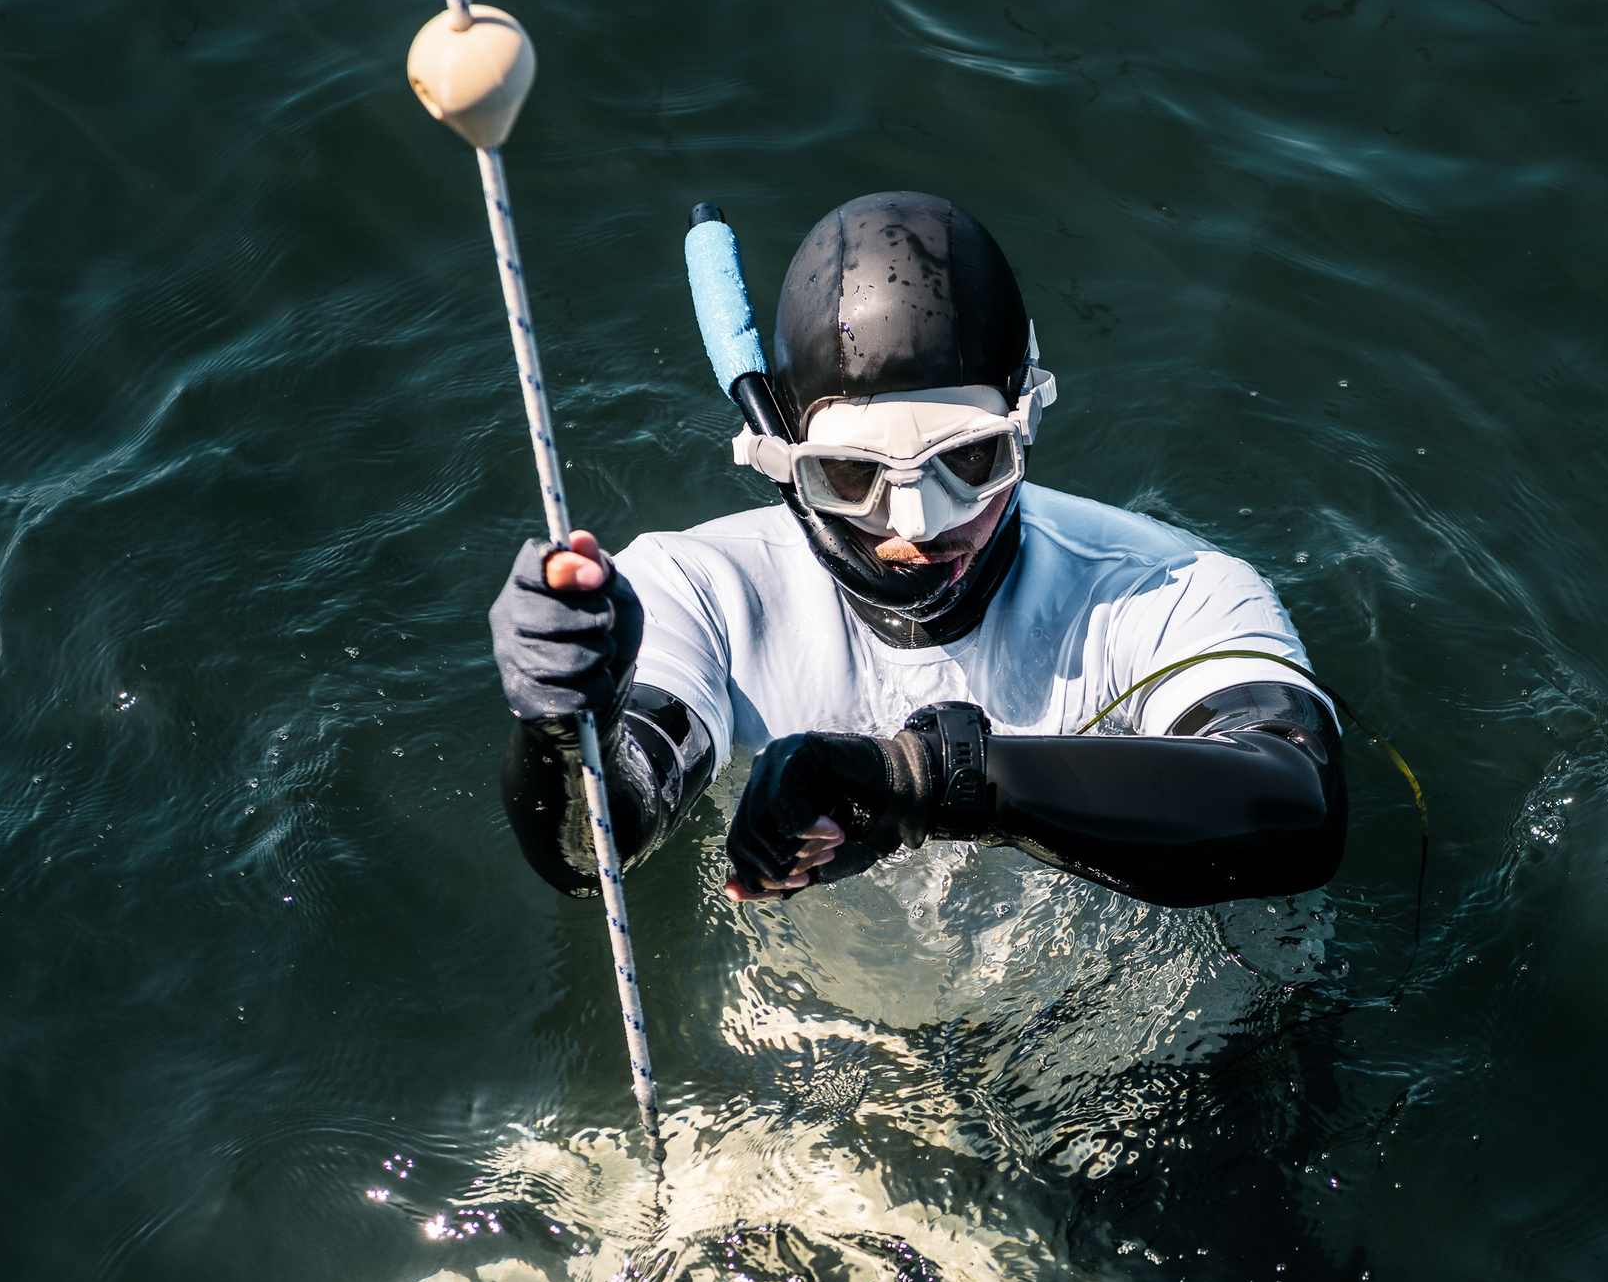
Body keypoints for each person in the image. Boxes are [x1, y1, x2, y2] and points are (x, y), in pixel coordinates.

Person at [487, 191, 1344, 911]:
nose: (919, 525)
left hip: (1138, 1064)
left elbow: (1298, 810)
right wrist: (567, 725)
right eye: (853, 474)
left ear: (1027, 418)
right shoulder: (701, 593)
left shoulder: (1172, 591)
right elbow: (595, 850)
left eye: (967, 461)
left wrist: (922, 779)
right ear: (784, 453)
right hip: (810, 1054)